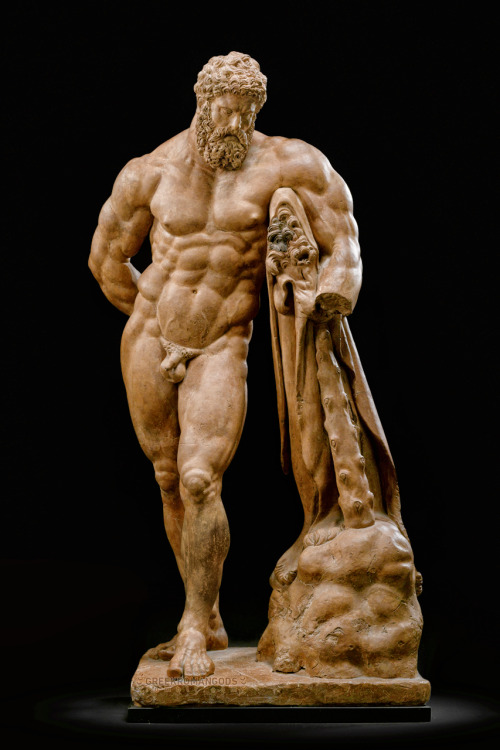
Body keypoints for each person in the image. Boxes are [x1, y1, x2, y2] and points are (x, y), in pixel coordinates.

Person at [89, 51, 362, 680]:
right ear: (201, 102)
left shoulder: (291, 163)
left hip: (223, 344)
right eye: (224, 111)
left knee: (198, 479)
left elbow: (344, 244)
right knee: (166, 477)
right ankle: (208, 616)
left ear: (258, 109)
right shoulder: (150, 172)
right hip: (148, 338)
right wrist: (156, 313)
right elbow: (106, 259)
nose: (234, 125)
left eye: (247, 113)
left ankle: (190, 625)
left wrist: (333, 293)